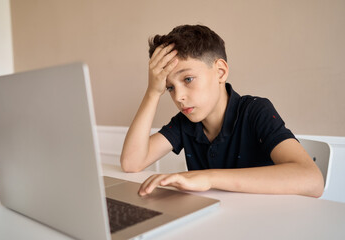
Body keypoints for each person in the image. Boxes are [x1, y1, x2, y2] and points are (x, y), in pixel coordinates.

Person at [120, 24, 324, 198]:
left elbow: (312, 180)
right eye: (170, 87)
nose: (178, 96)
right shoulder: (185, 122)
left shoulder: (255, 110)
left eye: (188, 79)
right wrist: (152, 92)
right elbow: (132, 162)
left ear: (220, 71)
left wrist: (208, 177)